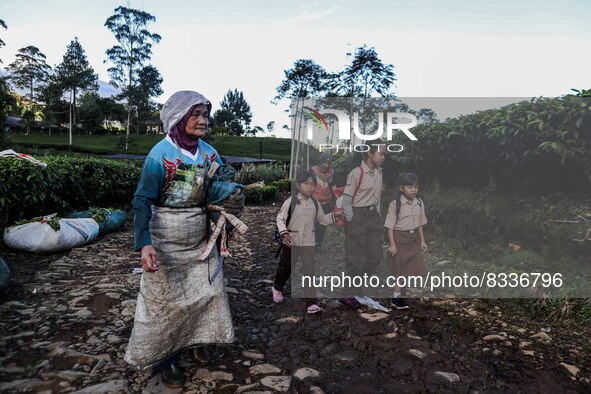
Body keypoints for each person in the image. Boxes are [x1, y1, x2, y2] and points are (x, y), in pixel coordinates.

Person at [125, 91, 244, 388]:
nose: (203, 121)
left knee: (207, 292)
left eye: (205, 115)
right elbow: (141, 200)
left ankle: (199, 341)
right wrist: (145, 243)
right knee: (166, 304)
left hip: (200, 239)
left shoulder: (209, 153)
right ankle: (168, 360)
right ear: (179, 118)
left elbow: (219, 185)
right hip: (165, 239)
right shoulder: (160, 154)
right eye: (196, 115)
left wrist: (229, 195)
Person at [273, 170, 341, 314]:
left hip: (309, 242)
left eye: (312, 184)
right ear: (298, 185)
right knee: (286, 267)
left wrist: (335, 216)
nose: (310, 187)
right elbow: (280, 219)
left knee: (309, 271)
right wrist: (284, 233)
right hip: (291, 241)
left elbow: (322, 220)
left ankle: (311, 303)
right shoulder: (291, 201)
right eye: (306, 184)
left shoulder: (315, 203)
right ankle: (277, 288)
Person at [340, 143, 385, 307]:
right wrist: (351, 219)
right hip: (357, 216)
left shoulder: (379, 173)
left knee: (375, 257)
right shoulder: (356, 173)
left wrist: (378, 214)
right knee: (356, 257)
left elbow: (377, 197)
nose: (383, 157)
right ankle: (348, 293)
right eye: (381, 154)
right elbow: (346, 199)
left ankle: (357, 285)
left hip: (373, 216)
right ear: (369, 154)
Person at [384, 172, 428, 309]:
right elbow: (389, 226)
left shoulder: (419, 203)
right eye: (410, 187)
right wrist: (392, 244)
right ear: (401, 188)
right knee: (400, 270)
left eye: (416, 187)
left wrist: (422, 241)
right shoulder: (395, 204)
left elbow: (420, 224)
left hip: (413, 239)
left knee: (412, 267)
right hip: (399, 239)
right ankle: (396, 298)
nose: (413, 189)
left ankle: (401, 291)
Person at [310, 152, 336, 248]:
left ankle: (318, 242)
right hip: (315, 202)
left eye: (328, 163)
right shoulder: (312, 171)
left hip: (327, 202)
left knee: (323, 223)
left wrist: (337, 197)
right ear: (320, 162)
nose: (326, 165)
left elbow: (332, 185)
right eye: (325, 163)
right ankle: (312, 242)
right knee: (314, 223)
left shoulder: (331, 172)